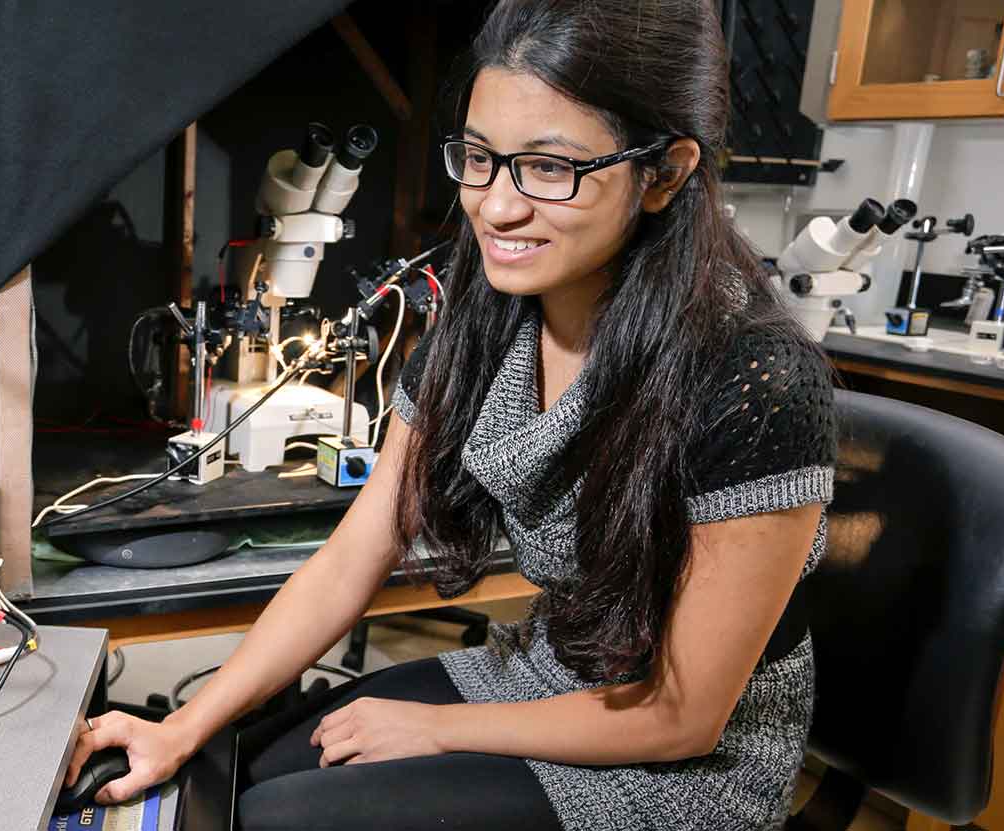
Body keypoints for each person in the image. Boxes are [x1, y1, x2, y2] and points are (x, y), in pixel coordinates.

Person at [66, 0, 836, 827]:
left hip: (681, 766)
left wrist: (436, 729)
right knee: (234, 770)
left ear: (667, 172)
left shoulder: (754, 379)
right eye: (479, 157)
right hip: (545, 670)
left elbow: (685, 715)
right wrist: (182, 727)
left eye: (549, 168)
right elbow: (357, 548)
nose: (496, 208)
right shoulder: (486, 320)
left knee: (281, 820)